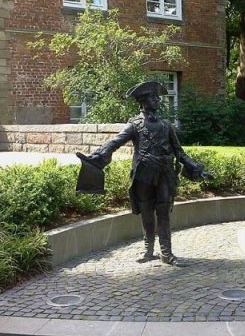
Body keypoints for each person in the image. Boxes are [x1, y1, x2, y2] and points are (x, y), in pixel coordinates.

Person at [77, 81, 208, 266]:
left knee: (163, 212)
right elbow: (115, 142)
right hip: (143, 175)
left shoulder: (166, 125)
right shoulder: (134, 125)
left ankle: (166, 253)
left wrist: (195, 167)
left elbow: (179, 152)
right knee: (147, 212)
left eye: (157, 97)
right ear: (143, 101)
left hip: (164, 174)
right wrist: (98, 156)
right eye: (153, 97)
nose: (157, 100)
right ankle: (148, 250)